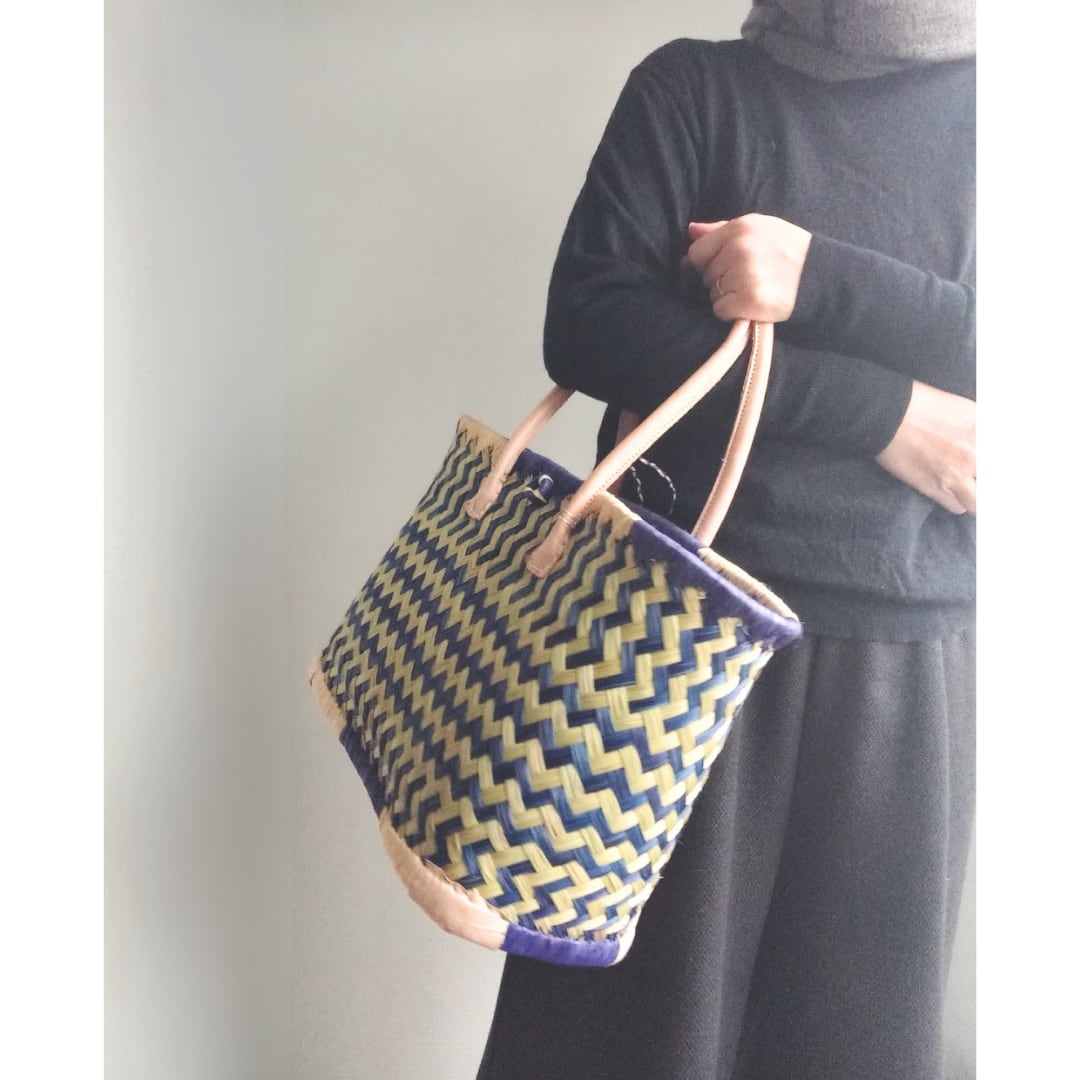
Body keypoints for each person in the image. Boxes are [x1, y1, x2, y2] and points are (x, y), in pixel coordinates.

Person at [476, 3, 975, 1078]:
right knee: (610, 1043)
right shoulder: (694, 89)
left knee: (849, 1045)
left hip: (901, 662)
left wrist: (817, 275)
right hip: (659, 628)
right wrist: (885, 414)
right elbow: (592, 324)